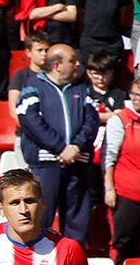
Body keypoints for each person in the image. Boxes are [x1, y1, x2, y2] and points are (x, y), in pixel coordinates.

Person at [17, 44, 98, 247]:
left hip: (77, 163)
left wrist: (76, 146)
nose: (77, 64)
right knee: (40, 216)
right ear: (56, 65)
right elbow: (30, 120)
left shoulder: (82, 89)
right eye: (72, 60)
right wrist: (60, 148)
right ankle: (36, 261)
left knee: (77, 220)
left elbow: (92, 121)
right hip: (46, 165)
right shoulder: (33, 86)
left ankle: (74, 263)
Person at [105, 78, 140, 265]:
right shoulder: (122, 120)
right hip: (128, 193)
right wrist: (109, 189)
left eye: (139, 95)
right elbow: (109, 158)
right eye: (131, 93)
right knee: (124, 243)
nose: (133, 98)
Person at [9, 30, 51, 119]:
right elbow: (14, 110)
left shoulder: (54, 75)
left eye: (47, 50)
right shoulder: (21, 76)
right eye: (40, 50)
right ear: (28, 52)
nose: (44, 54)